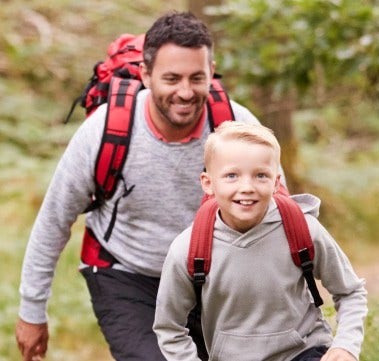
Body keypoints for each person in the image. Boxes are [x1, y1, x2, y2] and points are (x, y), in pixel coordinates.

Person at [16, 11, 269, 361]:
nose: (185, 92)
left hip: (212, 279)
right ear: (146, 75)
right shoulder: (105, 132)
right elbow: (54, 219)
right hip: (126, 274)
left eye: (197, 77)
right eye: (171, 78)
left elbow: (279, 217)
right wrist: (32, 310)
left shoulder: (237, 128)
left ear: (211, 72)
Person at [152, 122, 367, 361]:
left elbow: (351, 292)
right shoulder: (188, 249)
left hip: (303, 351)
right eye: (231, 175)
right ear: (208, 183)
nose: (247, 188)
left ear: (276, 183)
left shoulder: (303, 230)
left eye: (261, 176)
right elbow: (169, 328)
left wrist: (345, 346)